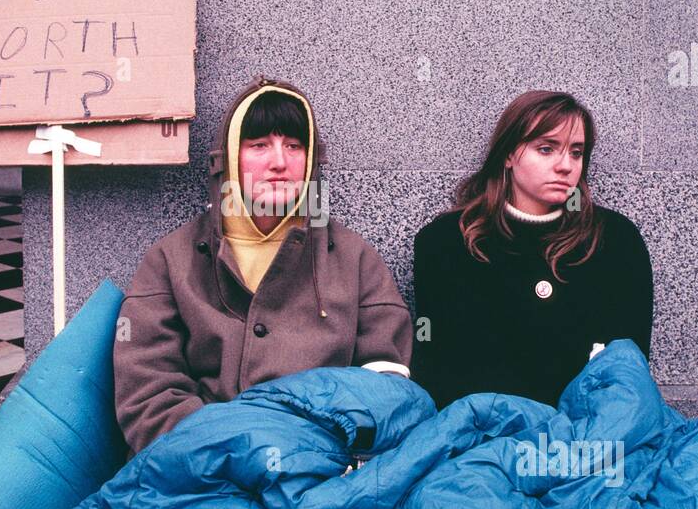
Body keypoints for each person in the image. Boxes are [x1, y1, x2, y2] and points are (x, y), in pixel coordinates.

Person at [114, 75, 414, 456]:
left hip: (318, 467)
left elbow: (384, 383)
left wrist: (315, 455)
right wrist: (234, 451)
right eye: (259, 146)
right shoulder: (172, 259)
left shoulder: (353, 258)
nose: (279, 162)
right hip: (203, 468)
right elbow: (148, 390)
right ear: (228, 160)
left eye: (293, 146)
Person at [411, 91, 653, 411]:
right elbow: (436, 364)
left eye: (577, 152)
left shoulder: (615, 240)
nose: (565, 166)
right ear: (509, 155)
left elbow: (627, 369)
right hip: (483, 431)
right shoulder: (445, 242)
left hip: (585, 434)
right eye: (546, 149)